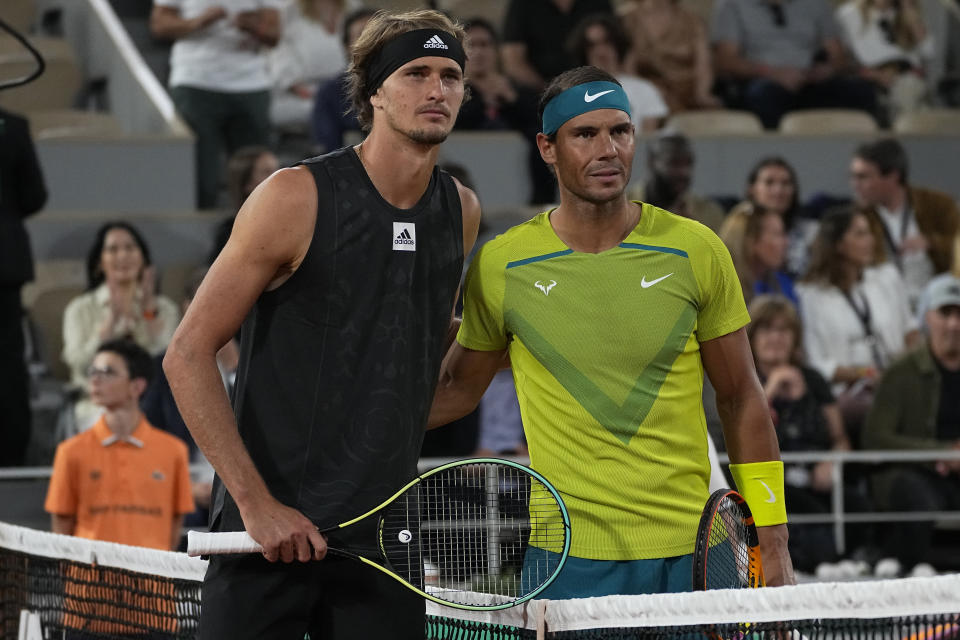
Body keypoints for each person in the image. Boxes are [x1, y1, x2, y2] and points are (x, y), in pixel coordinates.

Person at [162, 10, 481, 639]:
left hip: (382, 542)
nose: (437, 89)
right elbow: (187, 353)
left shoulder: (460, 211)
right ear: (372, 94)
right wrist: (257, 507)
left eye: (451, 75)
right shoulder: (293, 196)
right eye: (416, 72)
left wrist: (496, 343)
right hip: (268, 536)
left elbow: (413, 380)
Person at [429, 66, 794, 597]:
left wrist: (774, 540)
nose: (608, 150)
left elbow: (741, 398)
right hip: (566, 561)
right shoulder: (502, 265)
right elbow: (455, 389)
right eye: (585, 134)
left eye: (620, 131)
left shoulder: (697, 249)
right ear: (547, 148)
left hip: (695, 551)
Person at [45, 339, 195, 550]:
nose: (95, 379)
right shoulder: (70, 451)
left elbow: (174, 522)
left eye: (107, 371)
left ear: (137, 386)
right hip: (87, 581)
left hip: (153, 581)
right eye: (93, 371)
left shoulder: (173, 452)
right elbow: (61, 527)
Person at [747, 295, 859, 574]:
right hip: (771, 481)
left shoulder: (814, 379)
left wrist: (831, 462)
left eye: (783, 330)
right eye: (767, 329)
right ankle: (816, 563)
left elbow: (840, 439)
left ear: (795, 338)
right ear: (751, 336)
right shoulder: (744, 383)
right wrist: (770, 390)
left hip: (815, 479)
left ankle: (854, 561)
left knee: (858, 503)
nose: (776, 337)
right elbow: (744, 433)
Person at [862, 275, 960, 577]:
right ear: (927, 318)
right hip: (913, 473)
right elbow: (875, 438)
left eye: (959, 314)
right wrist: (940, 453)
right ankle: (898, 566)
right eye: (945, 314)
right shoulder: (901, 373)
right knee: (915, 493)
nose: (954, 324)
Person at [796, 207, 919, 439]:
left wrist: (901, 373)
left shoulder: (887, 277)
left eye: (869, 233)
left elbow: (911, 332)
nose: (871, 240)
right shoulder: (810, 294)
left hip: (897, 379)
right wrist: (867, 374)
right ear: (839, 244)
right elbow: (818, 363)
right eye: (860, 234)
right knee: (874, 409)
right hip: (848, 391)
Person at [150, 0, 282, 209]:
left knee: (258, 179)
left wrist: (253, 25)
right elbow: (160, 24)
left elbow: (274, 33)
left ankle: (260, 233)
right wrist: (198, 21)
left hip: (251, 83)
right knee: (202, 179)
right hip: (195, 82)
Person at [62, 222, 180, 431]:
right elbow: (78, 366)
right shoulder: (79, 309)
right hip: (98, 403)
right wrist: (108, 326)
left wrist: (149, 315)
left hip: (157, 402)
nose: (123, 255)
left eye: (130, 248)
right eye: (113, 249)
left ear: (143, 259)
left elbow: (170, 364)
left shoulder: (165, 308)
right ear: (99, 263)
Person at [711, 0, 879, 129]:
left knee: (861, 91)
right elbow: (726, 61)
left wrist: (827, 70)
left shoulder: (816, 3)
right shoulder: (731, 4)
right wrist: (773, 73)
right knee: (762, 95)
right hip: (762, 82)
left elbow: (837, 56)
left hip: (810, 82)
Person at [849, 138, 960, 311]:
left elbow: (956, 244)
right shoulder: (856, 216)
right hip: (882, 306)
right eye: (853, 176)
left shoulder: (938, 205)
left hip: (936, 304)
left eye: (863, 177)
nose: (855, 185)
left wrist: (931, 242)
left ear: (893, 176)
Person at [454, 18, 555, 205]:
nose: (478, 52)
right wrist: (482, 101)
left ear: (496, 51)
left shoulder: (517, 91)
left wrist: (512, 99)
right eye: (470, 45)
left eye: (485, 45)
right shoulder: (450, 92)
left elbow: (543, 123)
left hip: (517, 189)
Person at [0, 106, 47, 466]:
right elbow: (34, 196)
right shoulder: (13, 127)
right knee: (8, 361)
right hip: (5, 260)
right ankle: (13, 455)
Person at [567, 13, 669, 133]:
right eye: (592, 46)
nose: (600, 51)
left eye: (606, 42)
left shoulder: (643, 89)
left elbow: (649, 137)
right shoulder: (573, 96)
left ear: (617, 45)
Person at [835, 0, 933, 120]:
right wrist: (874, 75)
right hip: (870, 77)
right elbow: (841, 58)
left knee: (911, 91)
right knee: (911, 99)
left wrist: (911, 14)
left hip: (908, 76)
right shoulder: (849, 14)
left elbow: (929, 51)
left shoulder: (906, 14)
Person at [619, 0, 723, 111]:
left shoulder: (692, 22)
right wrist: (650, 92)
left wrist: (702, 93)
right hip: (648, 94)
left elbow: (703, 66)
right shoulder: (626, 21)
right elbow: (627, 68)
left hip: (689, 95)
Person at [728, 157, 816, 276]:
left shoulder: (812, 233)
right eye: (769, 182)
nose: (778, 190)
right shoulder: (737, 226)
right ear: (752, 189)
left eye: (786, 183)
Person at [267, 0, 347, 130]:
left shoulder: (353, 7)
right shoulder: (289, 12)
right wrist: (298, 88)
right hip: (304, 92)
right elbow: (280, 57)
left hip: (346, 88)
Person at [501, 0, 614, 90]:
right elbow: (513, 62)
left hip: (595, 87)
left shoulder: (598, 3)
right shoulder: (522, 4)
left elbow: (615, 47)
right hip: (540, 94)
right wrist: (550, 92)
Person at [627, 132, 725, 233]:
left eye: (688, 163)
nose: (684, 172)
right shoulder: (621, 207)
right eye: (674, 163)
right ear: (652, 162)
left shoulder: (708, 214)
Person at [310, 8, 376, 152]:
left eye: (377, 34)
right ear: (347, 46)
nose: (372, 42)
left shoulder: (410, 83)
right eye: (362, 35)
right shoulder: (329, 92)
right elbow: (328, 151)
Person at [208, 145, 280, 264]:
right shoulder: (230, 233)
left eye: (279, 170)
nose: (279, 176)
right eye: (267, 172)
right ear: (247, 184)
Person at [720, 204, 797, 306]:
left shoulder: (782, 284)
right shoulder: (720, 288)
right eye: (777, 235)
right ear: (751, 241)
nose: (786, 242)